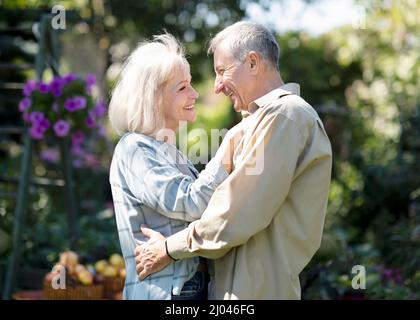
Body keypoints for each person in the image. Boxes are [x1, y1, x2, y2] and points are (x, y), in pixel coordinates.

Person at [135, 21, 333, 299]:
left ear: (253, 62)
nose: (216, 87)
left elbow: (236, 212)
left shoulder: (284, 116)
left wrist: (169, 249)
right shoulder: (262, 122)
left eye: (221, 71)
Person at [108, 33, 240, 300]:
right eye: (182, 88)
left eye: (190, 85)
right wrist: (228, 151)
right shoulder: (135, 148)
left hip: (187, 286)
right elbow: (190, 203)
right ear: (153, 98)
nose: (194, 94)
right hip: (170, 292)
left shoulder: (165, 148)